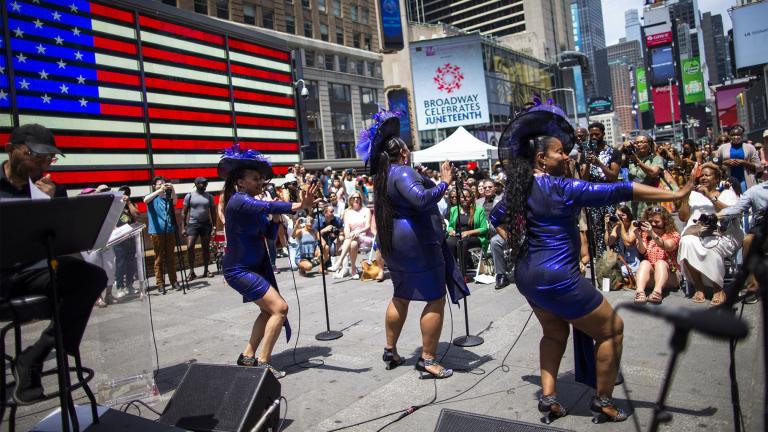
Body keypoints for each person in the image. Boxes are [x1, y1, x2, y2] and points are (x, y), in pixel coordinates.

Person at [499, 99, 693, 423]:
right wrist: (673, 196)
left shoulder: (518, 189)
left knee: (554, 333)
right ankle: (602, 400)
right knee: (611, 329)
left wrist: (520, 246)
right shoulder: (562, 187)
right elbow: (621, 189)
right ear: (541, 159)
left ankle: (549, 399)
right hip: (558, 276)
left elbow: (497, 218)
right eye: (559, 152)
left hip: (527, 275)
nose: (567, 156)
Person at [357, 110, 470, 378]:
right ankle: (428, 359)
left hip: (395, 240)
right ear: (404, 154)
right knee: (435, 297)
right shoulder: (402, 172)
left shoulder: (385, 174)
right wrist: (444, 183)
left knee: (401, 295)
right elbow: (421, 200)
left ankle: (390, 349)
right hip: (417, 242)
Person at [0, 124, 107, 403]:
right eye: (37, 156)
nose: (43, 164)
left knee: (91, 277)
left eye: (49, 158)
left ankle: (35, 356)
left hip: (32, 271)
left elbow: (62, 243)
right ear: (11, 150)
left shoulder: (48, 189)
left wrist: (46, 206)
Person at [219, 144, 317, 378]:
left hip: (254, 267)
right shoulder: (238, 201)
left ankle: (248, 356)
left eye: (261, 179)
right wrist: (298, 205)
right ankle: (263, 363)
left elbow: (270, 235)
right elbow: (267, 204)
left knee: (267, 312)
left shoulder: (251, 205)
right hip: (239, 270)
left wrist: (274, 219)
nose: (260, 183)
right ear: (240, 182)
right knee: (280, 308)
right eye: (255, 179)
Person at [678, 163, 743, 305]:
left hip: (723, 234)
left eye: (708, 175)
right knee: (686, 242)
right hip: (696, 231)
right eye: (701, 175)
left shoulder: (727, 192)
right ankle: (698, 286)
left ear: (716, 178)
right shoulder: (693, 195)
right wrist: (685, 197)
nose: (703, 178)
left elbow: (735, 211)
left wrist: (709, 196)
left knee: (711, 245)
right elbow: (683, 217)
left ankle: (717, 287)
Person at [718, 181, 768, 303]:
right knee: (748, 241)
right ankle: (752, 288)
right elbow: (737, 208)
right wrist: (718, 215)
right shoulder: (756, 190)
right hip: (763, 229)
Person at [580, 122, 622, 257]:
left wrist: (598, 162)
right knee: (597, 230)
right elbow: (584, 179)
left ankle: (614, 259)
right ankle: (601, 263)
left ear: (603, 134)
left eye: (596, 134)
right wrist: (587, 162)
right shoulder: (586, 152)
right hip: (594, 197)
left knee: (611, 228)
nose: (593, 137)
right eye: (591, 135)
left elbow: (614, 176)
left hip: (609, 194)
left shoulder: (613, 152)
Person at [632, 206, 681, 304]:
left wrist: (653, 234)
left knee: (661, 263)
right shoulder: (646, 235)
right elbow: (642, 251)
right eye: (651, 221)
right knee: (645, 262)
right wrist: (638, 237)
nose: (653, 224)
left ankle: (657, 292)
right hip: (652, 276)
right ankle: (640, 291)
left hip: (670, 276)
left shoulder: (673, 234)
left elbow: (668, 246)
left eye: (657, 222)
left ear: (665, 221)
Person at [143, 176, 180, 291]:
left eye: (164, 183)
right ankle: (160, 283)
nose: (162, 185)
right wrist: (159, 190)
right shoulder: (152, 198)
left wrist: (172, 189)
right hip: (156, 231)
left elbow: (175, 201)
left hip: (169, 230)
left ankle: (174, 281)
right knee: (159, 257)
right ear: (154, 186)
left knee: (170, 257)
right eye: (159, 183)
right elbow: (145, 200)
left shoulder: (167, 197)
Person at [329, 193, 372, 279]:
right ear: (350, 199)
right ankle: (353, 270)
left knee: (352, 237)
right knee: (353, 244)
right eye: (354, 197)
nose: (356, 199)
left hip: (364, 236)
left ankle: (339, 262)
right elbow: (347, 228)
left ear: (360, 199)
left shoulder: (366, 210)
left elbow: (368, 226)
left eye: (358, 197)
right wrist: (348, 234)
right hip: (352, 238)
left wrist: (358, 232)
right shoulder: (347, 212)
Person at [446, 188, 490, 273]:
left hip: (474, 237)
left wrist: (468, 232)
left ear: (471, 198)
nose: (465, 199)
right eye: (462, 197)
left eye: (467, 197)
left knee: (462, 243)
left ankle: (463, 273)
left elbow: (484, 228)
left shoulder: (478, 210)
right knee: (449, 242)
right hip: (458, 235)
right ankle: (453, 271)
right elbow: (450, 226)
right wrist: (451, 231)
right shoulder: (454, 209)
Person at [182, 177, 216, 280]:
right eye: (202, 183)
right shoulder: (189, 196)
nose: (205, 185)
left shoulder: (209, 196)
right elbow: (184, 212)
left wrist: (214, 226)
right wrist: (183, 227)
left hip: (206, 225)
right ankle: (191, 272)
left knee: (205, 248)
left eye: (206, 183)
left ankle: (206, 270)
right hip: (193, 225)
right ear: (196, 184)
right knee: (189, 247)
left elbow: (213, 212)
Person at [622, 133, 664, 218]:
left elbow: (653, 173)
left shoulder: (656, 159)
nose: (639, 144)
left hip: (649, 200)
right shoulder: (629, 159)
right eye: (636, 142)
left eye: (642, 142)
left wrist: (637, 161)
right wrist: (623, 147)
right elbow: (615, 159)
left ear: (649, 145)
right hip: (633, 200)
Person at [716, 124, 763, 193]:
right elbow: (716, 163)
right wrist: (725, 162)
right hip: (728, 181)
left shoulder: (750, 147)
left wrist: (743, 162)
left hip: (746, 181)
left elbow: (759, 167)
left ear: (742, 136)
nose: (736, 137)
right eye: (733, 135)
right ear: (729, 136)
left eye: (738, 135)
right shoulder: (722, 148)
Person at [604, 206, 641, 283]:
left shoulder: (633, 224)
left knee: (615, 275)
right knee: (608, 272)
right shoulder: (617, 226)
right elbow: (608, 242)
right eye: (618, 215)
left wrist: (622, 226)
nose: (620, 218)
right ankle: (628, 279)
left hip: (634, 263)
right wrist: (606, 226)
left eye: (622, 215)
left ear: (628, 215)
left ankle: (630, 279)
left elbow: (628, 243)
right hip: (623, 263)